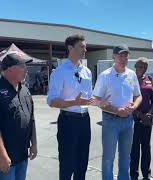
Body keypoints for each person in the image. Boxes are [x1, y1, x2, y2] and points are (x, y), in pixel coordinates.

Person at [0, 53, 38, 180]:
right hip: (6, 158)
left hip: (22, 155)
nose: (26, 70)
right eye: (22, 66)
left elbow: (31, 119)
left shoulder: (25, 90)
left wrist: (34, 143)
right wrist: (2, 155)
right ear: (9, 69)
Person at [93, 44, 142, 180]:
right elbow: (95, 100)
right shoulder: (105, 76)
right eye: (120, 55)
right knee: (108, 157)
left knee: (125, 157)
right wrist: (116, 110)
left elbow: (138, 95)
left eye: (125, 55)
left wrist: (134, 107)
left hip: (128, 121)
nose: (123, 58)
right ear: (113, 56)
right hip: (110, 121)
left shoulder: (131, 74)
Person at [47, 34, 93, 180]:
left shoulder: (87, 72)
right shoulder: (59, 72)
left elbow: (87, 99)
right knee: (67, 164)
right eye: (81, 46)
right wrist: (73, 102)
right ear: (70, 48)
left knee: (82, 163)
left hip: (85, 120)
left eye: (85, 46)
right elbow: (52, 101)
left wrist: (99, 101)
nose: (85, 49)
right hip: (68, 122)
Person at [130, 57, 153, 180]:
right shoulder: (130, 79)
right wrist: (140, 115)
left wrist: (150, 113)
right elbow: (126, 100)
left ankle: (146, 174)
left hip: (147, 118)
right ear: (135, 66)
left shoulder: (149, 79)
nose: (143, 68)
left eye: (145, 67)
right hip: (133, 118)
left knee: (146, 147)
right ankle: (133, 175)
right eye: (140, 66)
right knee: (134, 148)